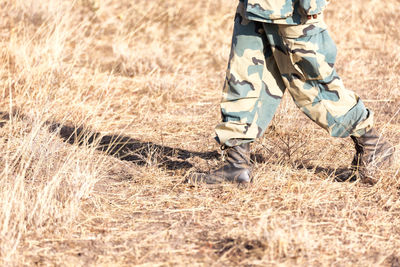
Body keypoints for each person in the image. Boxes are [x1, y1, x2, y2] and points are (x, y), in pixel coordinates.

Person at [188, 0, 395, 184]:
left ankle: (372, 145)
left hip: (291, 8)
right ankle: (237, 162)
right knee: (243, 76)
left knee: (312, 83)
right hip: (255, 5)